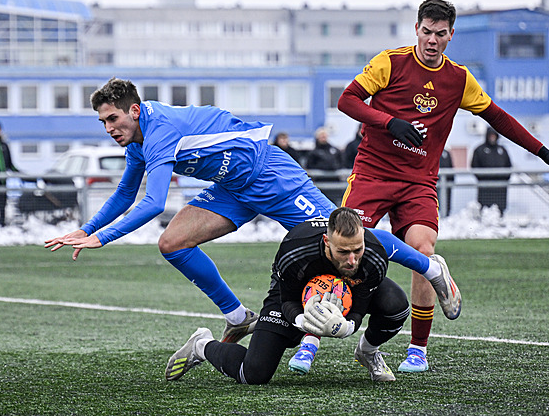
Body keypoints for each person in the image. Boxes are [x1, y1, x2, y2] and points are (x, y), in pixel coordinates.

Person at [44, 78, 458, 353]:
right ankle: (237, 315)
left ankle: (430, 268)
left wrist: (101, 239)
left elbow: (152, 204)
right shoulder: (138, 140)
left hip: (268, 174)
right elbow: (124, 193)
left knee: (345, 234)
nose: (109, 128)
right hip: (233, 189)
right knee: (171, 243)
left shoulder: (159, 131)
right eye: (102, 122)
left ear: (134, 111)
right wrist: (85, 228)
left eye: (112, 119)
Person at [337, 0, 549, 373]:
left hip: (418, 182)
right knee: (345, 248)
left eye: (441, 34)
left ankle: (417, 350)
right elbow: (347, 100)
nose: (432, 40)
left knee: (423, 252)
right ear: (417, 29)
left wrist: (543, 152)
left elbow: (499, 117)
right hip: (373, 175)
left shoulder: (459, 79)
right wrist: (388, 122)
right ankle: (312, 340)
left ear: (451, 35)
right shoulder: (390, 61)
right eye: (427, 32)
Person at [165, 207, 411, 384]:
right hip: (293, 295)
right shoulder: (296, 248)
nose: (352, 259)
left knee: (396, 304)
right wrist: (304, 322)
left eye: (357, 250)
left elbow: (361, 301)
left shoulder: (375, 256)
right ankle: (201, 345)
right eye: (343, 252)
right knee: (253, 374)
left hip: (347, 290)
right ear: (327, 241)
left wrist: (348, 326)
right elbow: (287, 300)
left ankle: (368, 352)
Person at [471, 127, 512, 215]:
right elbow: (474, 166)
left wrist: (504, 179)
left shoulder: (502, 150)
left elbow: (508, 166)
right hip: (485, 187)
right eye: (491, 136)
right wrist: (483, 178)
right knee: (485, 208)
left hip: (500, 187)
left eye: (494, 136)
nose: (492, 138)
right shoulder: (480, 150)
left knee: (499, 209)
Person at [439, 148, 454, 217]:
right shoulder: (430, 151)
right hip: (434, 185)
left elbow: (451, 168)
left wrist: (450, 183)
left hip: (446, 185)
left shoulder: (446, 153)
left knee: (446, 204)